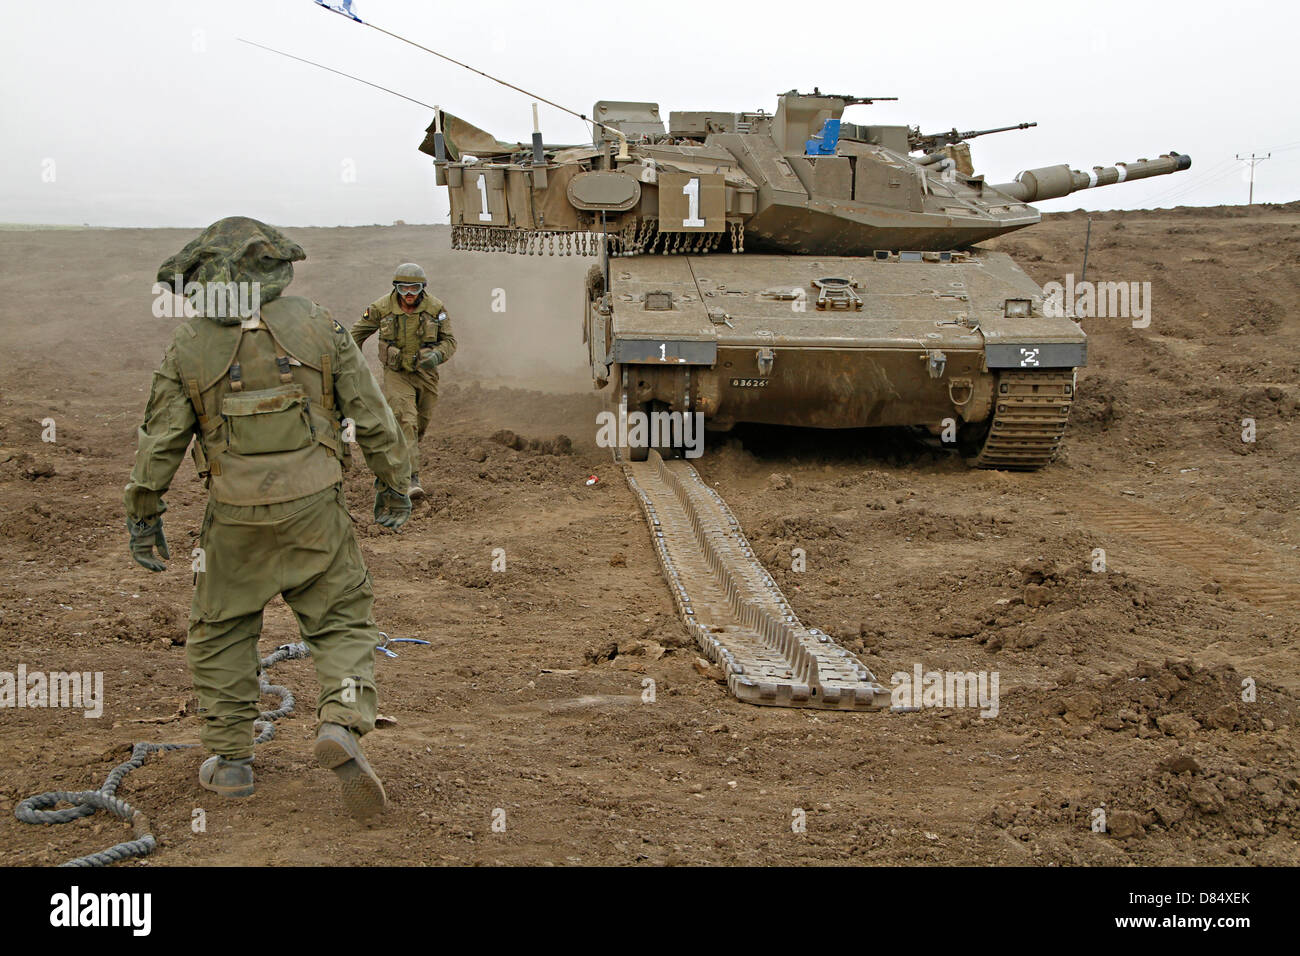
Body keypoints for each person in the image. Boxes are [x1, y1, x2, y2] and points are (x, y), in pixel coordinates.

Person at [124, 216, 411, 820]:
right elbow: (372, 412)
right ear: (273, 267)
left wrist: (145, 512)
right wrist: (394, 483)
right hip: (317, 509)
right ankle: (340, 723)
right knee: (340, 624)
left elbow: (161, 440)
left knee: (223, 629)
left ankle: (230, 763)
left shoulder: (189, 344)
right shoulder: (319, 323)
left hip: (234, 517)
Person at [350, 263, 456, 500]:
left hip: (426, 375)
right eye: (403, 288)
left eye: (414, 288)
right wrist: (352, 366)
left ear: (422, 289)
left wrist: (438, 354)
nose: (409, 294)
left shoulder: (436, 308)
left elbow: (449, 341)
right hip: (396, 374)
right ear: (396, 288)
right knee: (405, 420)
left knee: (419, 424)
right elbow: (355, 335)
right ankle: (410, 479)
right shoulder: (380, 308)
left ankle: (399, 456)